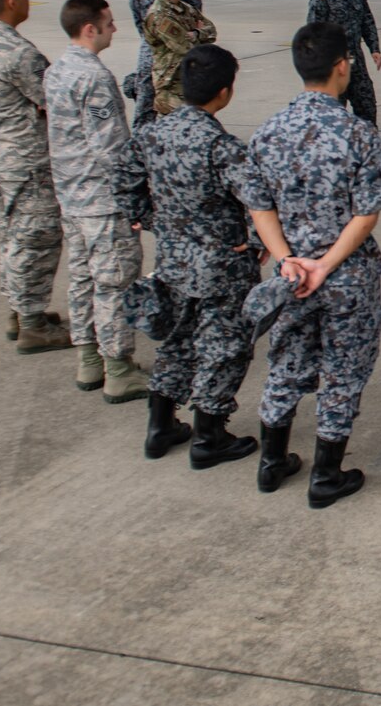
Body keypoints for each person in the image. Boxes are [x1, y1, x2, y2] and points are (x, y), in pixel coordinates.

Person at [236, 22, 381, 508]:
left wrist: (288, 260)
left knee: (286, 364)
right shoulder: (356, 132)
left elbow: (258, 206)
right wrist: (326, 264)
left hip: (291, 278)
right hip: (346, 277)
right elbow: (365, 213)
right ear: (341, 67)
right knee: (343, 372)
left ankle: (271, 464)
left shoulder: (268, 132)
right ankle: (326, 476)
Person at [117, 44, 263, 469]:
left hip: (175, 262)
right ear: (225, 92)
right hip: (221, 266)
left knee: (179, 340)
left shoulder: (151, 133)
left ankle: (161, 424)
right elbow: (259, 200)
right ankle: (210, 434)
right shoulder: (221, 146)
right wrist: (256, 242)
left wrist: (148, 218)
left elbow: (124, 179)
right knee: (226, 346)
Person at [44, 0, 149, 401]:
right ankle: (118, 368)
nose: (115, 28)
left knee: (83, 279)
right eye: (109, 22)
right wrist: (137, 196)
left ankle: (90, 359)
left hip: (71, 196)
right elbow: (113, 151)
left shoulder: (57, 70)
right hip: (102, 201)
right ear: (90, 28)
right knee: (116, 283)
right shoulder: (94, 77)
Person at [0, 0, 70, 353]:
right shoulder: (19, 54)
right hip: (26, 158)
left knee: (13, 234)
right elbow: (54, 97)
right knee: (36, 235)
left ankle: (19, 309)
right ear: (11, 2)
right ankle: (32, 322)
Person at [127, 0, 202, 128]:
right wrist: (152, 41)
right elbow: (138, 17)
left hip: (181, 47)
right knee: (145, 90)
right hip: (152, 48)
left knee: (183, 93)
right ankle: (142, 136)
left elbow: (197, 14)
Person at [307, 0, 381, 125]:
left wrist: (375, 49)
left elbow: (367, 21)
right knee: (334, 110)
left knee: (367, 106)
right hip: (334, 65)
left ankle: (369, 147)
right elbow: (313, 34)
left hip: (356, 61)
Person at [143, 0, 217, 117]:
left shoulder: (185, 8)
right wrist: (198, 34)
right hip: (171, 90)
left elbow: (212, 31)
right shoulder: (159, 15)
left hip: (189, 84)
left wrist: (195, 33)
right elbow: (185, 48)